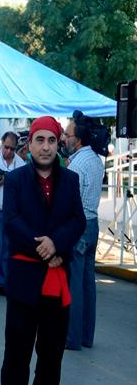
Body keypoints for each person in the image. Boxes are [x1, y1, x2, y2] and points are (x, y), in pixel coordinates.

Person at [0, 116, 85, 385]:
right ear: (30, 144)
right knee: (17, 350)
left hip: (56, 278)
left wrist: (57, 244)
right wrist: (45, 247)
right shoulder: (17, 179)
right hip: (25, 279)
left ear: (58, 143)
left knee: (52, 352)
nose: (46, 146)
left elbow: (78, 221)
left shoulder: (71, 180)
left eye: (51, 140)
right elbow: (11, 221)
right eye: (40, 140)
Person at [63, 112, 106, 350]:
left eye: (67, 135)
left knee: (75, 283)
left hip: (79, 226)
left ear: (78, 140)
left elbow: (71, 200)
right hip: (93, 223)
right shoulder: (96, 160)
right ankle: (87, 336)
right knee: (89, 282)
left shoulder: (77, 164)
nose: (64, 138)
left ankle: (73, 337)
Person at [0, 131, 25, 296]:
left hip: (12, 213)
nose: (9, 151)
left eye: (12, 149)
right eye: (6, 147)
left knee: (8, 248)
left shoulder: (21, 164)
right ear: (1, 144)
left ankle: (3, 282)